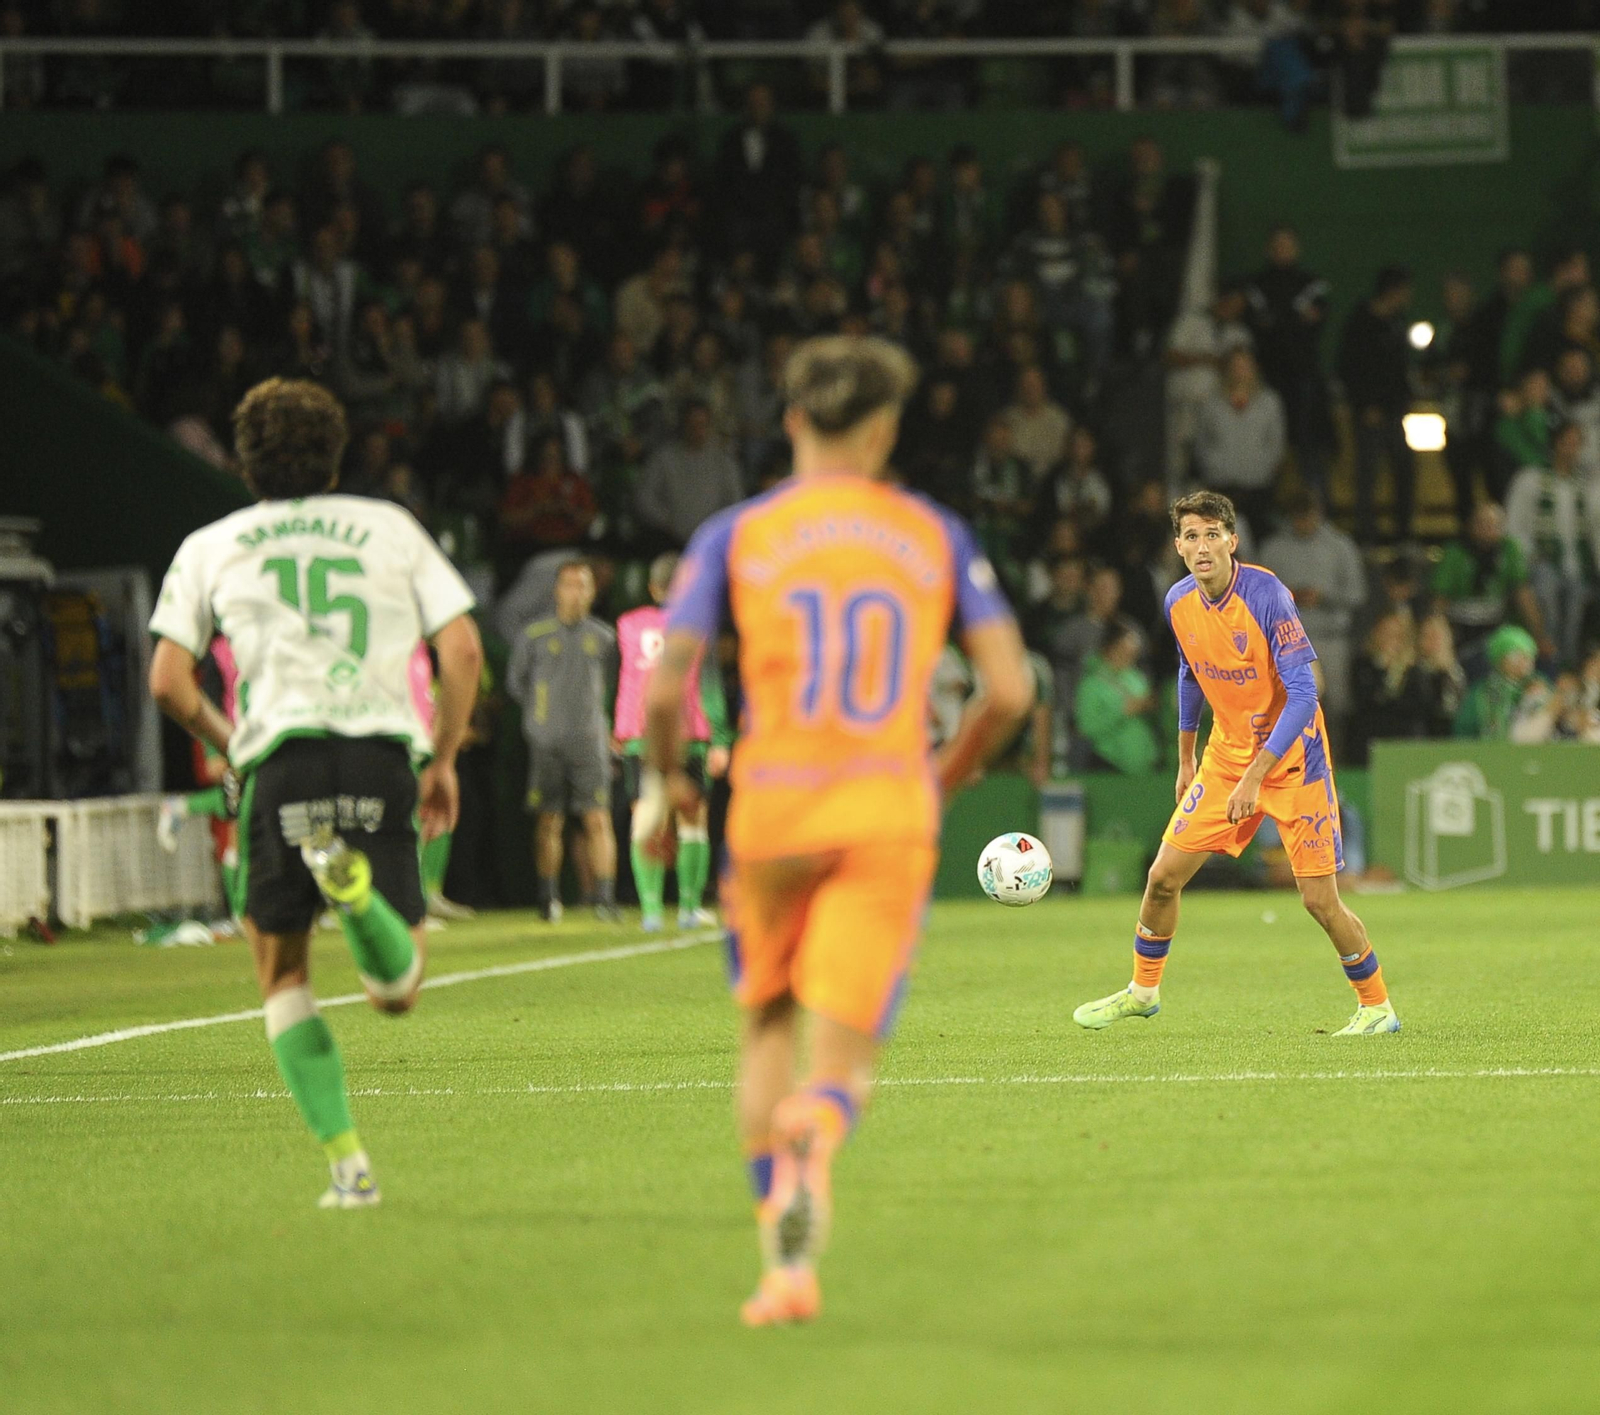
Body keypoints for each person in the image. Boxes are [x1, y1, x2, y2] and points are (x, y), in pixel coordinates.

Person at [636, 335, 1032, 1326]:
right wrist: (938, 776)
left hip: (770, 809)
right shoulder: (932, 530)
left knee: (766, 1020)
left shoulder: (737, 531)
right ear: (885, 430)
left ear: (791, 421)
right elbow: (1011, 690)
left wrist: (661, 782)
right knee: (840, 1057)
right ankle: (824, 1118)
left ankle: (784, 1270)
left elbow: (666, 678)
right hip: (883, 810)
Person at [148, 377, 483, 1208]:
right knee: (398, 991)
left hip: (281, 759)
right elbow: (465, 649)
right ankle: (359, 895)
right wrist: (441, 758)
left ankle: (349, 1166)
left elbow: (167, 681)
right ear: (337, 458)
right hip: (377, 753)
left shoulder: (213, 541)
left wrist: (236, 748)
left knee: (284, 977)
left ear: (244, 462)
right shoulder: (390, 527)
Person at [1073, 489, 1401, 1038]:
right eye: (1190, 536)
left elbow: (1304, 697)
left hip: (1295, 761)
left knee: (1319, 901)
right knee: (1161, 879)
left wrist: (1255, 776)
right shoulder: (1178, 601)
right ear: (1178, 546)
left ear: (1232, 540)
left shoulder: (1268, 594)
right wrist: (1185, 757)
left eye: (1211, 534)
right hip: (1226, 757)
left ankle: (1377, 1007)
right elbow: (1189, 673)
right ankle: (1142, 991)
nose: (1202, 546)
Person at [613, 553, 733, 932]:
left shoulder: (628, 625)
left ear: (652, 588)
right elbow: (708, 684)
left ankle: (650, 911)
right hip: (689, 734)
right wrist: (720, 738)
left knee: (645, 818)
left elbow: (626, 681)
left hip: (639, 734)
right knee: (691, 819)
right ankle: (688, 906)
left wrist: (620, 726)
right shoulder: (696, 627)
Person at [506, 559, 619, 922]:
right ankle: (548, 897)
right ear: (557, 590)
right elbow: (517, 684)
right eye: (569, 584)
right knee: (549, 821)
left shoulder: (604, 638)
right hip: (547, 745)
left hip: (590, 743)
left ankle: (604, 898)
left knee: (598, 819)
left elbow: (616, 686)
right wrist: (540, 723)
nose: (576, 592)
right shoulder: (534, 636)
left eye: (583, 585)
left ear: (592, 592)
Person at [1257, 490, 1367, 735]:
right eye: (1298, 516)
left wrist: (1325, 597)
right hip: (1288, 640)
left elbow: (1357, 593)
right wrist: (1289, 597)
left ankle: (1336, 761)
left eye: (1308, 515)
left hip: (1331, 638)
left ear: (1319, 513)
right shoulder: (1274, 548)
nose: (1303, 522)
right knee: (1286, 704)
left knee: (1336, 705)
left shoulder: (1340, 546)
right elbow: (1257, 594)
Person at [1504, 420, 1600, 667]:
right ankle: (1549, 666)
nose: (1572, 449)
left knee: (1575, 621)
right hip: (1542, 562)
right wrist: (1522, 563)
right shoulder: (1531, 479)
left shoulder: (1585, 486)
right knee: (1548, 611)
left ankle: (1567, 668)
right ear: (1555, 444)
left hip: (1578, 567)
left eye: (1576, 444)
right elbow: (1515, 526)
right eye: (1567, 442)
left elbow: (1593, 529)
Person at [1431, 501, 1553, 666]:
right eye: (1482, 523)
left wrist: (1539, 635)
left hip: (1496, 624)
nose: (1488, 529)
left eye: (1495, 525)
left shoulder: (1509, 550)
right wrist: (1437, 634)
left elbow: (1523, 594)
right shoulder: (1454, 552)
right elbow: (1440, 599)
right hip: (1459, 625)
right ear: (1471, 525)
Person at [1192, 347, 1286, 540]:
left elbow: (1276, 443)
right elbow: (1202, 442)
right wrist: (1214, 468)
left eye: (1245, 366)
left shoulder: (1270, 403)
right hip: (1220, 488)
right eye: (1236, 366)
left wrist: (1262, 468)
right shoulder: (1211, 404)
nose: (1240, 371)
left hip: (1258, 489)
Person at [1073, 622, 1159, 775]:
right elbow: (1087, 727)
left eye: (1133, 654)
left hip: (1145, 765)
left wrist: (1149, 707)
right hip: (1108, 763)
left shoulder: (1136, 677)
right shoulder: (1091, 684)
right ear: (1110, 649)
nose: (1129, 657)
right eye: (1124, 652)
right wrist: (1122, 712)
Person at [1453, 624, 1552, 741]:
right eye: (1515, 656)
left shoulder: (1542, 686)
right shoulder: (1480, 693)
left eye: (1527, 654)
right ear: (1499, 660)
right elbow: (1463, 731)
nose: (1523, 661)